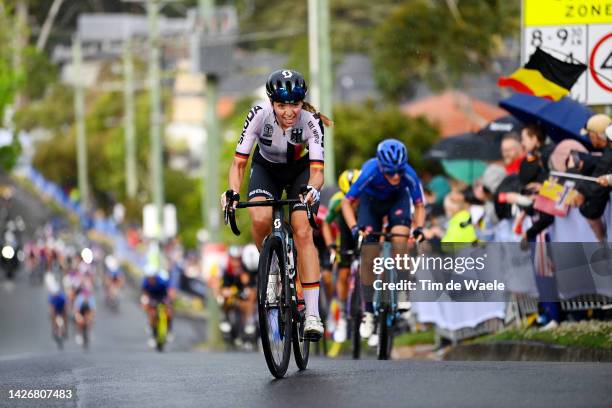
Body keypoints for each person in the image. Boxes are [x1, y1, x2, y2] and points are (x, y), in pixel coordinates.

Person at [220, 69, 332, 339]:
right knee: (260, 219)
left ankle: (313, 315)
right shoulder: (258, 114)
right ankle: (271, 271)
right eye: (281, 105)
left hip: (299, 172)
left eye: (294, 104)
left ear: (301, 102)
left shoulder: (311, 122)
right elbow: (239, 163)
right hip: (266, 169)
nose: (288, 112)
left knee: (302, 229)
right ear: (272, 103)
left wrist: (312, 190)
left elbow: (317, 172)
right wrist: (232, 192)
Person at [341, 139, 426, 341]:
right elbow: (347, 202)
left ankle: (403, 290)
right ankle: (368, 312)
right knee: (368, 255)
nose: (395, 176)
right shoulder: (370, 171)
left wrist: (419, 227)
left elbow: (419, 204)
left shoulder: (409, 174)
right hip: (370, 205)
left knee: (399, 242)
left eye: (399, 171)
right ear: (381, 166)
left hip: (397, 202)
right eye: (390, 172)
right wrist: (354, 227)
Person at [322, 169, 360, 342]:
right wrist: (331, 245)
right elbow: (325, 224)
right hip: (344, 237)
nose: (353, 202)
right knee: (343, 275)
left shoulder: (368, 197)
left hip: (363, 232)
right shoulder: (337, 201)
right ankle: (343, 315)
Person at [572, 114, 612, 242]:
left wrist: (581, 192)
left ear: (596, 135)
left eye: (590, 134)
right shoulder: (607, 152)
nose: (589, 138)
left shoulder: (609, 154)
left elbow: (598, 181)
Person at [141, 265, 174, 346]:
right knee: (152, 314)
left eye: (152, 277)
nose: (151, 279)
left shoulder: (162, 281)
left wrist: (169, 300)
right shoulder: (145, 282)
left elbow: (170, 291)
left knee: (169, 312)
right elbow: (144, 293)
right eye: (149, 277)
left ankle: (169, 331)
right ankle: (153, 335)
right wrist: (145, 302)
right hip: (152, 297)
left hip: (162, 296)